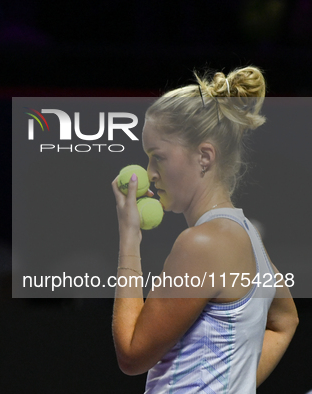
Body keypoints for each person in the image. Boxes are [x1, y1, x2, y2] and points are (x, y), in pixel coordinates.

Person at [111, 66, 298, 393]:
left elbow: (131, 354)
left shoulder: (202, 243)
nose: (150, 173)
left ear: (204, 157)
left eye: (159, 158)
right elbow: (284, 323)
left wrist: (129, 238)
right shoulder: (247, 236)